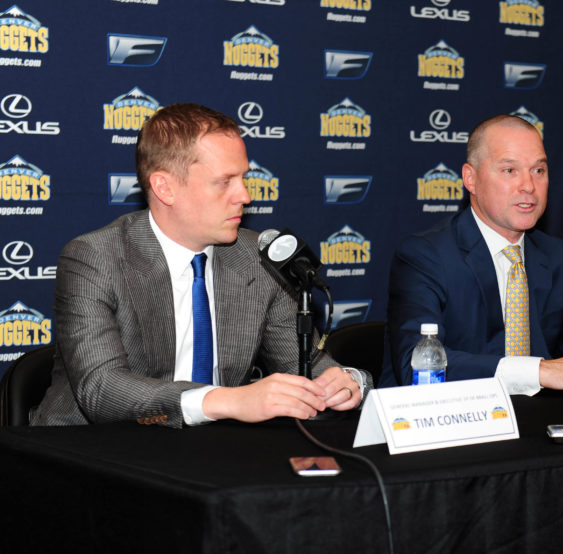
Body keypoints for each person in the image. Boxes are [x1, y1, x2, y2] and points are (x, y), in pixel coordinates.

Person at [32, 103, 369, 428]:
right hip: (86, 453)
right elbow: (101, 389)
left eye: (243, 178)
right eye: (224, 181)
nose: (245, 195)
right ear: (165, 188)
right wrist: (228, 401)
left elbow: (306, 367)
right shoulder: (95, 257)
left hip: (209, 454)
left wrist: (347, 382)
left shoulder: (256, 257)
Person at [380, 114, 563, 395]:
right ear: (471, 178)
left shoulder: (558, 257)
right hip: (449, 425)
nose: (528, 185)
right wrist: (538, 371)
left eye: (538, 171)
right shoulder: (425, 257)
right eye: (509, 171)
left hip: (539, 424)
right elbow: (417, 367)